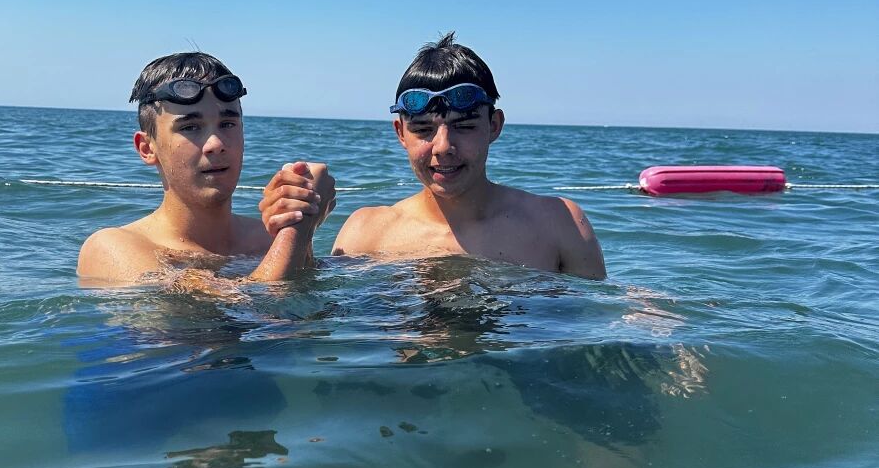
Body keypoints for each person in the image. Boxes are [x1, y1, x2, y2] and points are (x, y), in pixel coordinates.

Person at [329, 33, 606, 279]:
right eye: (423, 129)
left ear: (494, 126)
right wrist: (305, 229)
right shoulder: (366, 233)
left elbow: (598, 312)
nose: (443, 147)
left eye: (464, 127)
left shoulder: (559, 224)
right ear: (401, 133)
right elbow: (317, 313)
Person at [77, 52, 334, 284]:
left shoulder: (269, 240)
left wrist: (299, 212)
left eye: (228, 124)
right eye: (190, 127)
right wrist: (300, 225)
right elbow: (252, 309)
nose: (216, 144)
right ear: (147, 148)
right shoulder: (113, 247)